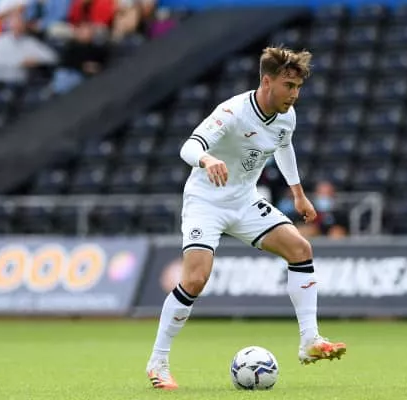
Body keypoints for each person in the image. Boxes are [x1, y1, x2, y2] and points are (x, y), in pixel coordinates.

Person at [145, 46, 347, 390]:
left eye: (298, 88)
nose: (294, 95)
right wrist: (208, 160)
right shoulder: (232, 112)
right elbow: (188, 147)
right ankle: (158, 362)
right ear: (267, 82)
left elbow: (284, 146)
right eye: (288, 86)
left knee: (301, 249)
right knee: (195, 280)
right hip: (206, 202)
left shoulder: (287, 116)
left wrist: (298, 193)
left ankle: (309, 340)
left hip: (244, 200)